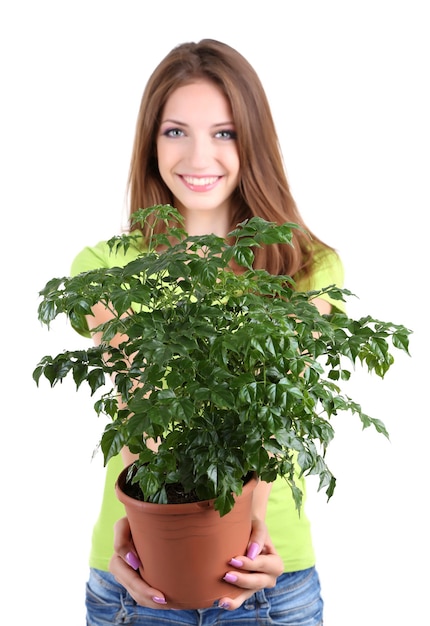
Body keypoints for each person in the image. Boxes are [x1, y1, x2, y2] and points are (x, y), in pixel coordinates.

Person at [71, 38, 345, 626]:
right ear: (151, 142)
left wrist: (249, 530)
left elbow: (273, 416)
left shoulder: (305, 266)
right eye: (176, 132)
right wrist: (150, 525)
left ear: (254, 142)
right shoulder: (102, 270)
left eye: (224, 133)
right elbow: (139, 409)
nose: (199, 155)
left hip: (270, 576)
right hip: (137, 576)